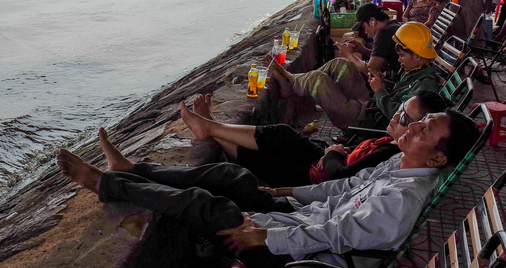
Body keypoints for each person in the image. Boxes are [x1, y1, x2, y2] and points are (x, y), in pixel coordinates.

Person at [57, 109, 479, 268]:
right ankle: (133, 168)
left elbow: (335, 236)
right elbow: (342, 188)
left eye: (425, 129)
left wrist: (266, 235)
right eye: (423, 120)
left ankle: (107, 184)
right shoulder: (398, 163)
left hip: (310, 253)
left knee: (210, 206)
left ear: (439, 158)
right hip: (301, 218)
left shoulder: (401, 200)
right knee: (232, 177)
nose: (415, 125)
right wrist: (286, 193)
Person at [181, 91, 446, 188]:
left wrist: (333, 154)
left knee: (264, 158)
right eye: (400, 110)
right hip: (326, 159)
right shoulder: (393, 143)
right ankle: (211, 125)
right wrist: (336, 151)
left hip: (317, 179)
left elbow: (340, 178)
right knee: (283, 134)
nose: (397, 118)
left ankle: (210, 127)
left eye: (406, 120)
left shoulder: (393, 153)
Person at [266, 20, 439, 129]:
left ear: (417, 55)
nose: (399, 60)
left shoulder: (425, 85)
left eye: (402, 56)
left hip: (367, 118)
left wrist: (379, 91)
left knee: (318, 80)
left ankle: (289, 80)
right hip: (369, 104)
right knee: (341, 64)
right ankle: (291, 82)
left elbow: (401, 117)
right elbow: (398, 93)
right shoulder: (417, 71)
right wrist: (381, 83)